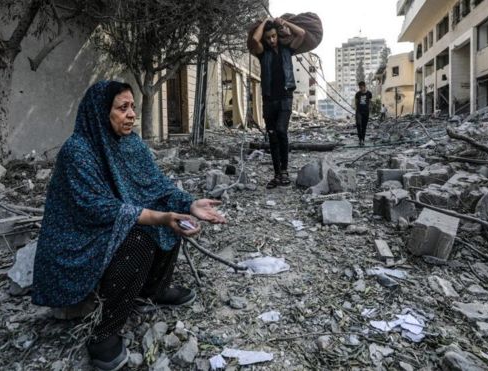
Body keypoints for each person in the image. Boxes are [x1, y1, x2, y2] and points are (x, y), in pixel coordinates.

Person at [31, 81, 226, 371]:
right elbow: (95, 208)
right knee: (139, 238)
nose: (132, 114)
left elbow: (158, 188)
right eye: (123, 108)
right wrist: (157, 217)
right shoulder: (78, 151)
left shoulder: (131, 144)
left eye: (132, 107)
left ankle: (153, 289)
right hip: (78, 239)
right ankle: (104, 333)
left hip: (114, 225)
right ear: (100, 112)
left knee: (167, 216)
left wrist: (189, 204)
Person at [249, 16, 306, 188]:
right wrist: (265, 21)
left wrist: (283, 23)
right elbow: (254, 39)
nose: (271, 40)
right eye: (268, 38)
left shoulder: (287, 49)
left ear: (277, 35)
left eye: (273, 36)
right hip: (268, 100)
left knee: (281, 130)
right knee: (272, 136)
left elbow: (301, 33)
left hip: (285, 99)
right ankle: (277, 174)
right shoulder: (262, 54)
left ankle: (285, 171)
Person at [354, 81, 372, 146]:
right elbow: (356, 102)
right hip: (359, 112)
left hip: (366, 112)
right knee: (358, 125)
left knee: (364, 127)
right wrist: (357, 110)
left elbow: (370, 102)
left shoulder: (369, 93)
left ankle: (363, 140)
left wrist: (369, 109)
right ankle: (360, 139)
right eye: (359, 88)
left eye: (361, 87)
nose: (360, 89)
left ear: (364, 86)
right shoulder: (357, 94)